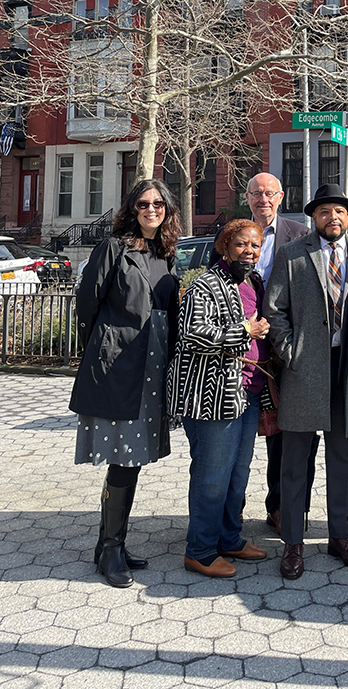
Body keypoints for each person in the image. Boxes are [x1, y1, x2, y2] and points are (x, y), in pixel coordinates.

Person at [265, 184, 348, 581]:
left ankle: (338, 536)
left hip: (347, 366)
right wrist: (291, 352)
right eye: (324, 212)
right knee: (295, 458)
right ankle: (294, 544)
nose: (332, 218)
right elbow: (275, 310)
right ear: (313, 218)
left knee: (340, 456)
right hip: (304, 368)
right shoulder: (292, 254)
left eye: (339, 211)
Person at [69, 179, 180, 588]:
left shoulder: (166, 253)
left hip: (153, 367)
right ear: (132, 209)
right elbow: (87, 304)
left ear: (167, 208)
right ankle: (110, 550)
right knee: (122, 458)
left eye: (158, 203)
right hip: (119, 366)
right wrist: (100, 354)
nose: (151, 209)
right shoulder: (113, 247)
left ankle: (110, 544)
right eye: (143, 204)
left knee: (132, 459)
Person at [168, 219, 270, 578]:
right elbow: (193, 334)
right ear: (224, 247)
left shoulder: (252, 282)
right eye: (241, 244)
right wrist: (246, 329)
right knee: (212, 476)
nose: (249, 252)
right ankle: (200, 550)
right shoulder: (205, 285)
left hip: (249, 392)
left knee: (237, 475)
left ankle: (229, 538)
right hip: (214, 396)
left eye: (255, 246)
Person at [241, 172, 310, 535]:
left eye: (269, 193)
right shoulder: (238, 235)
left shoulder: (299, 234)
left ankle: (281, 506)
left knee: (285, 434)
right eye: (256, 193)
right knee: (239, 432)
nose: (263, 199)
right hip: (246, 351)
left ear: (281, 197)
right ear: (247, 197)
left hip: (286, 350)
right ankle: (229, 509)